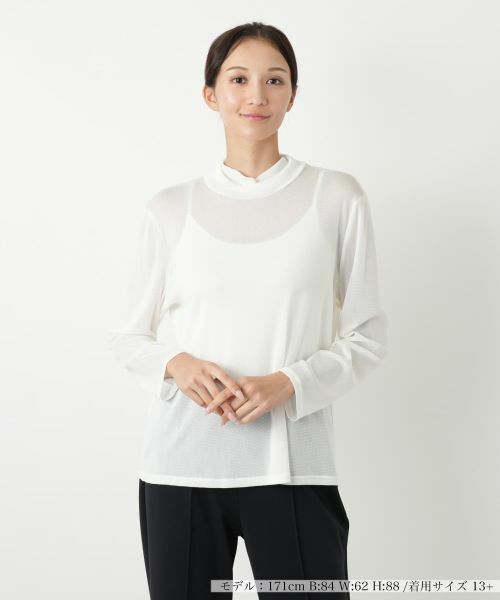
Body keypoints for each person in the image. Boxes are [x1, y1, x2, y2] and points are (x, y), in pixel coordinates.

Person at [107, 21, 389, 600]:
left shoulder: (336, 197)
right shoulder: (171, 208)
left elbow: (367, 335)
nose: (256, 95)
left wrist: (290, 382)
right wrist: (177, 364)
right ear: (210, 94)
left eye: (274, 80)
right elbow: (129, 337)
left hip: (294, 469)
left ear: (293, 94)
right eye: (238, 79)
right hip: (181, 469)